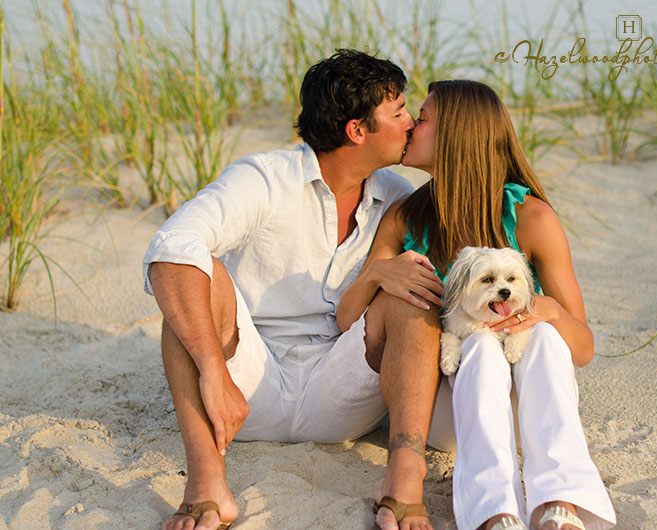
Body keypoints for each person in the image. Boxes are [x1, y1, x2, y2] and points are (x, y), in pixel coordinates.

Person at [143, 49, 444, 530]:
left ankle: (403, 480)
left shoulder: (398, 198)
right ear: (356, 130)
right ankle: (206, 481)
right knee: (191, 274)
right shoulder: (263, 178)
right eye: (399, 111)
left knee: (410, 289)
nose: (411, 122)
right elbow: (172, 245)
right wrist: (213, 372)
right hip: (246, 387)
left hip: (342, 392)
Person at [337, 80, 616, 530]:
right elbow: (348, 322)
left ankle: (559, 506)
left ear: (455, 138)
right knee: (482, 348)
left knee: (543, 333)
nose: (409, 126)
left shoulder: (531, 218)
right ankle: (493, 512)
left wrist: (550, 311)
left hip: (528, 406)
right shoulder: (406, 217)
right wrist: (376, 274)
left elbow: (581, 350)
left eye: (422, 119)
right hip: (450, 411)